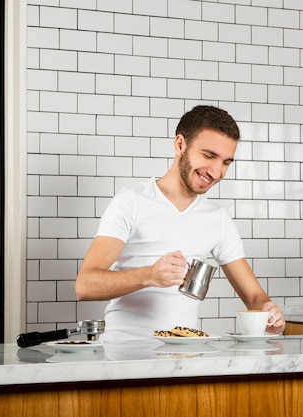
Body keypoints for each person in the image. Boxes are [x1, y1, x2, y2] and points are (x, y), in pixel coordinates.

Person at [75, 105, 285, 340]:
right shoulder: (132, 201)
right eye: (209, 156)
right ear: (179, 145)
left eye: (226, 162)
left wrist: (268, 312)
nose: (216, 172)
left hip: (182, 357)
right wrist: (150, 275)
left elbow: (255, 297)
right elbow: (85, 285)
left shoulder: (218, 219)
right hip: (124, 354)